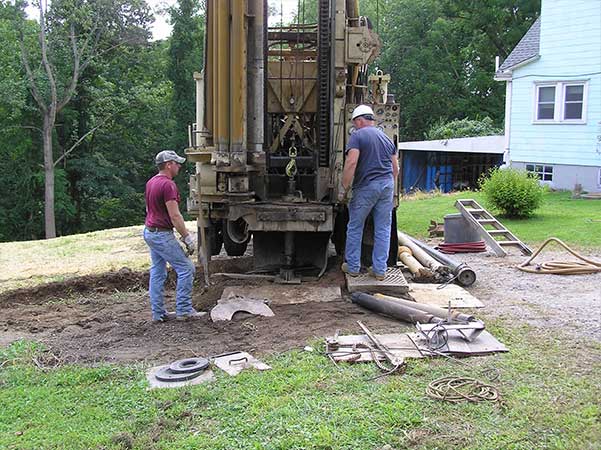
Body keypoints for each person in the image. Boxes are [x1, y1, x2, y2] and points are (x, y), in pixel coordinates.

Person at [143, 150, 205, 322]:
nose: (179, 166)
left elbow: (150, 209)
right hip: (161, 234)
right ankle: (184, 310)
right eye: (176, 163)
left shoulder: (151, 182)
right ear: (168, 164)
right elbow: (175, 216)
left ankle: (158, 313)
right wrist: (187, 237)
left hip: (150, 232)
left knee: (158, 271)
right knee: (186, 268)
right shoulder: (168, 185)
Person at [340, 104, 399, 281]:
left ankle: (353, 267)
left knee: (355, 226)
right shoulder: (386, 138)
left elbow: (351, 163)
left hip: (367, 186)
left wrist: (345, 187)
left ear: (359, 121)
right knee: (383, 228)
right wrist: (388, 186)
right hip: (387, 185)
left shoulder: (357, 136)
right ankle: (380, 270)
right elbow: (395, 168)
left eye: (355, 123)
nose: (355, 127)